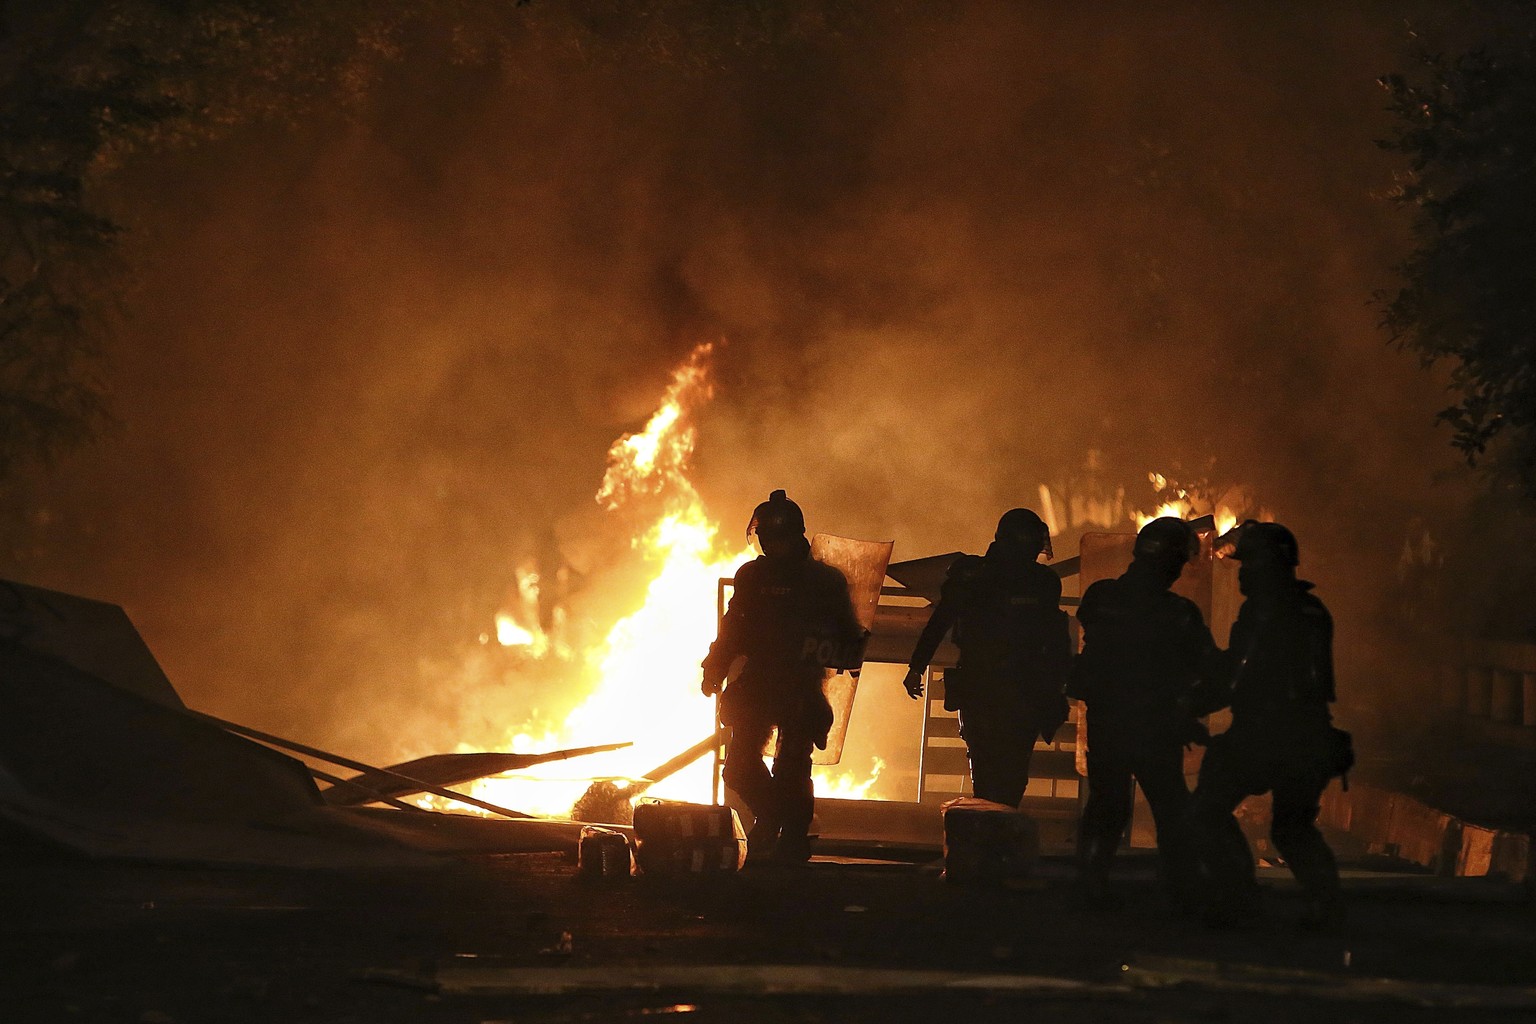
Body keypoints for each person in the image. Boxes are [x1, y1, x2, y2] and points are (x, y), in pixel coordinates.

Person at [1190, 521, 1351, 928]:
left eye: (1249, 565)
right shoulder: (1313, 609)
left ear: (1268, 566)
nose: (1242, 573)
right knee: (1294, 828)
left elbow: (1238, 676)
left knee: (1208, 808)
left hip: (1265, 733)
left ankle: (1239, 902)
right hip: (1311, 733)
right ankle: (1327, 910)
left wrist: (1192, 702)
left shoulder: (1265, 610)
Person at [701, 489, 863, 864]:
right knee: (740, 766)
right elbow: (733, 628)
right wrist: (714, 667)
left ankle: (790, 836)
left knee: (792, 767)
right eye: (767, 539)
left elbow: (847, 635)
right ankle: (775, 817)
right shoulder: (753, 577)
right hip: (759, 681)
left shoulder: (825, 582)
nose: (772, 546)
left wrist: (846, 648)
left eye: (779, 539)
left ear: (797, 536)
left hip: (802, 684)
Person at [1068, 516, 1215, 908]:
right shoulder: (1179, 614)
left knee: (1107, 805)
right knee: (1171, 810)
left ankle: (1090, 883)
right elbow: (1207, 668)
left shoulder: (1102, 597)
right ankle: (1182, 892)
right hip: (1155, 726)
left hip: (1110, 721)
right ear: (1171, 562)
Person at [903, 508, 1072, 809]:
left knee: (990, 771)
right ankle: (994, 838)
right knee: (1009, 774)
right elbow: (1056, 641)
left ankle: (988, 838)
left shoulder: (973, 575)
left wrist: (917, 667)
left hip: (989, 688)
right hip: (1017, 691)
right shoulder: (1041, 583)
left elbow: (940, 621)